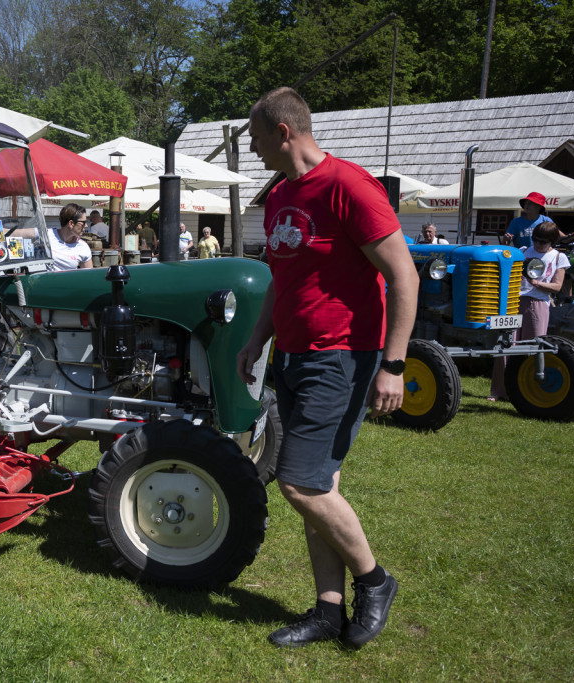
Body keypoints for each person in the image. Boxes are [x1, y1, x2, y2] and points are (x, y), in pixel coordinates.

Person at [235, 87, 418, 649]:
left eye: (258, 139)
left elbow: (404, 277)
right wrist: (257, 340)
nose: (255, 150)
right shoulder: (280, 195)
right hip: (292, 356)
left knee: (299, 482)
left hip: (339, 357)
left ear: (284, 132)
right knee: (322, 483)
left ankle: (375, 580)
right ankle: (328, 611)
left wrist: (394, 364)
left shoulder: (349, 187)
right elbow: (281, 280)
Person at [488, 221, 571, 400]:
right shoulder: (524, 251)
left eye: (543, 242)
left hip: (538, 304)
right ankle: (498, 391)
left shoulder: (559, 257)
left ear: (552, 242)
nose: (538, 244)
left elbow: (557, 287)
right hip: (514, 301)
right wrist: (506, 244)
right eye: (535, 240)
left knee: (533, 347)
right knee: (505, 345)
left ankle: (525, 392)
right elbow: (504, 262)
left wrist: (537, 283)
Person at [501, 192, 574, 248]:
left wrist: (573, 236)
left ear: (538, 207)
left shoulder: (545, 220)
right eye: (526, 203)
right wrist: (506, 240)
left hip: (542, 259)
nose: (526, 205)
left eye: (530, 203)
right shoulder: (516, 222)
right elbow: (505, 245)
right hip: (523, 258)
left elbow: (563, 239)